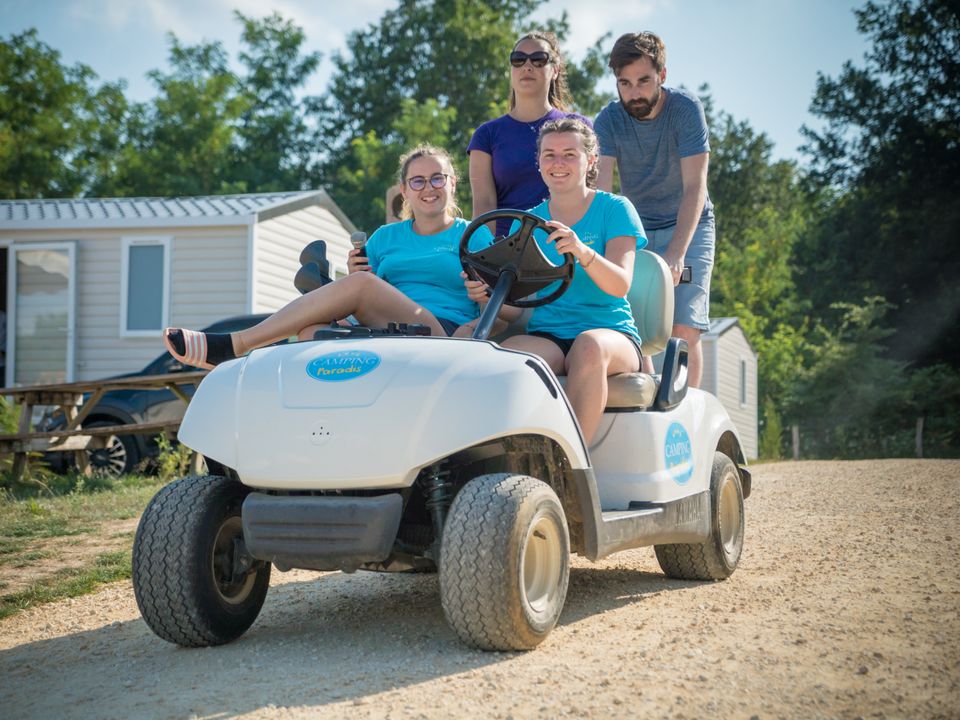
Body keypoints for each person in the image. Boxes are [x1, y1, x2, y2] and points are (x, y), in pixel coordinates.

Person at [162, 145, 493, 369]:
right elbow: (370, 292)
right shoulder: (384, 238)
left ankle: (237, 344)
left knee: (361, 285)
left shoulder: (474, 233)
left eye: (437, 178)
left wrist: (475, 329)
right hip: (383, 330)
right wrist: (354, 283)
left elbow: (498, 306)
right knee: (311, 332)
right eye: (417, 180)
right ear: (404, 190)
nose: (428, 187)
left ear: (452, 184)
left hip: (439, 332)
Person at [487, 118, 647, 445]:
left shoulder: (615, 209)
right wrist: (488, 293)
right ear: (539, 163)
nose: (558, 163)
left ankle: (573, 467)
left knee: (588, 347)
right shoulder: (530, 220)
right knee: (500, 359)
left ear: (590, 161)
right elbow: (517, 311)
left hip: (611, 334)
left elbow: (619, 285)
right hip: (550, 335)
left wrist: (582, 250)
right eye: (549, 155)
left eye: (569, 154)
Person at [594, 31, 715, 388]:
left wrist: (677, 253)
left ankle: (687, 416)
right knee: (637, 327)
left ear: (662, 76)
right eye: (625, 83)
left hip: (689, 223)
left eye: (643, 81)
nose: (634, 93)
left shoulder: (685, 110)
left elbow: (695, 187)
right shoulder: (608, 121)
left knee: (683, 329)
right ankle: (650, 401)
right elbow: (602, 193)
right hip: (638, 228)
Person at [467, 31, 591, 238]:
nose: (527, 65)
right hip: (507, 251)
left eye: (538, 59)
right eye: (518, 59)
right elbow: (484, 206)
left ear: (556, 70)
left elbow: (589, 194)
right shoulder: (486, 135)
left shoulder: (579, 126)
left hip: (568, 243)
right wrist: (483, 260)